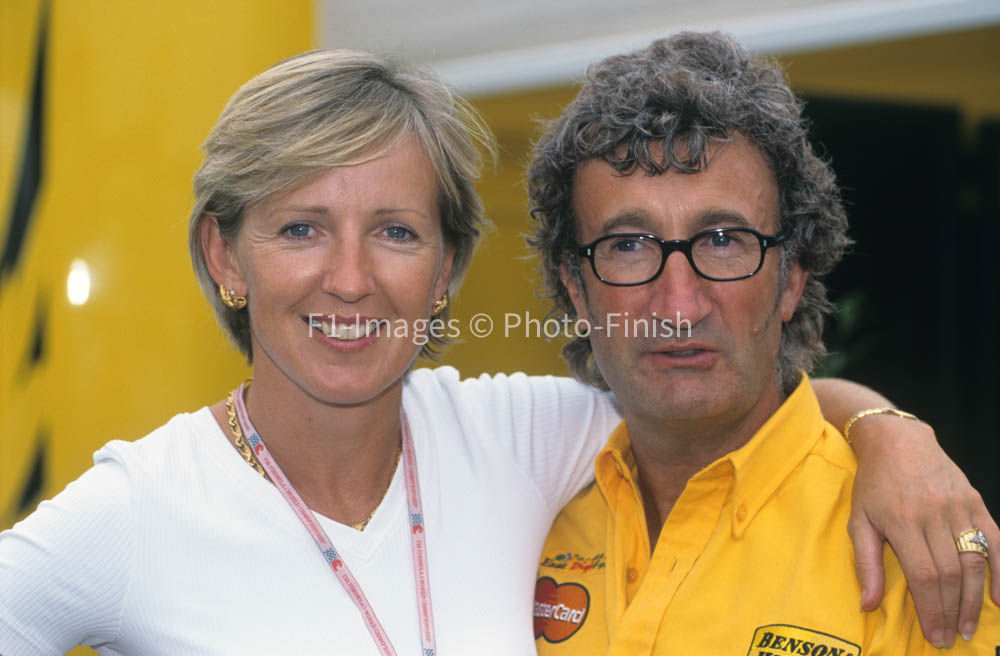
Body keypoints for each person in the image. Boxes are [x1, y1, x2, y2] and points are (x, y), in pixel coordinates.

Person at [0, 48, 992, 655]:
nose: (349, 278)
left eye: (394, 230)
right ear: (225, 255)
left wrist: (885, 430)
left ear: (446, 270)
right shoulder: (139, 507)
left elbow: (715, 392)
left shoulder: (516, 433)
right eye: (300, 227)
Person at [528, 31, 999, 654]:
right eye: (629, 244)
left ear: (791, 279)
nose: (678, 306)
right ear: (578, 290)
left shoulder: (915, 543)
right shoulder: (526, 510)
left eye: (723, 240)